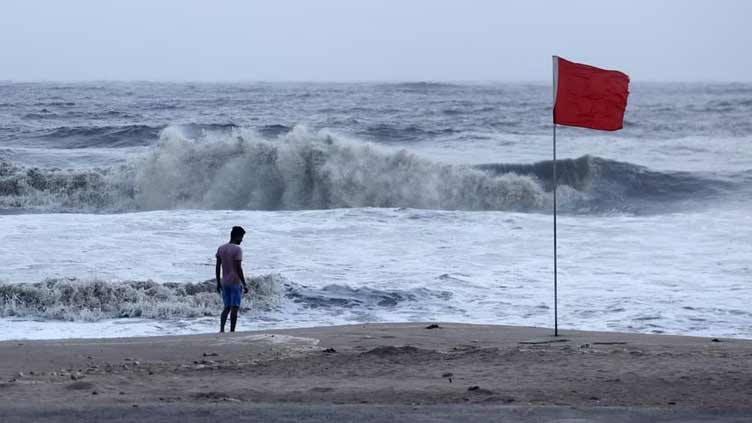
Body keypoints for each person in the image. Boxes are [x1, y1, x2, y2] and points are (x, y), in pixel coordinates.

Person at [215, 226, 249, 333]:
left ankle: (221, 329)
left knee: (226, 307)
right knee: (234, 307)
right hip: (235, 281)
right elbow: (238, 268)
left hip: (225, 282)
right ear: (237, 236)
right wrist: (244, 283)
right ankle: (232, 331)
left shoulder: (221, 248)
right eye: (242, 237)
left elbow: (217, 266)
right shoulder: (237, 250)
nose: (242, 240)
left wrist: (218, 282)